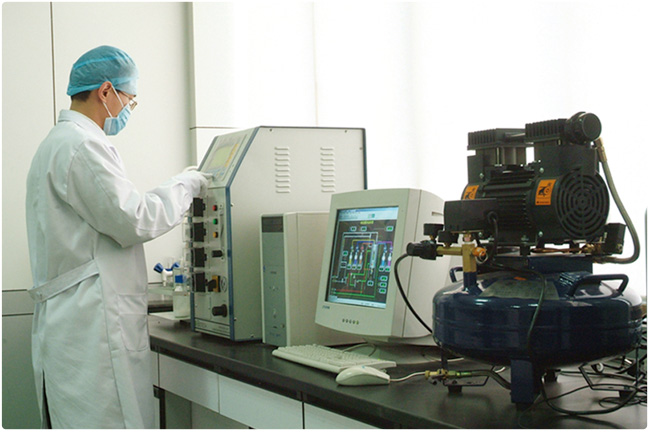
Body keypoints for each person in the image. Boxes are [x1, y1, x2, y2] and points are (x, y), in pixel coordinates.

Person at [25, 45, 210, 429]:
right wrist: (186, 185)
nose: (128, 109)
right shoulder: (81, 145)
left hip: (72, 322)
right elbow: (134, 219)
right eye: (129, 99)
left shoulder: (56, 143)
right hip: (91, 327)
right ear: (106, 91)